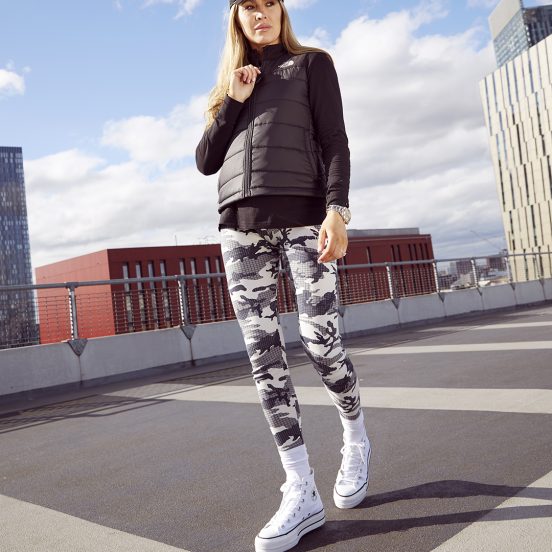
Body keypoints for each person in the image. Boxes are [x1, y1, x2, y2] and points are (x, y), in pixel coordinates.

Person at [195, 1, 371, 550]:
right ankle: (301, 487)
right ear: (236, 18)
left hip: (303, 219)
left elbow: (335, 140)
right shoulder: (229, 87)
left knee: (321, 342)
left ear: (280, 10)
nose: (260, 13)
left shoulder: (312, 64)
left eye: (268, 2)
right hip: (240, 228)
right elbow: (205, 161)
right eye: (248, 5)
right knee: (264, 360)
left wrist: (337, 211)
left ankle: (355, 436)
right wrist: (234, 100)